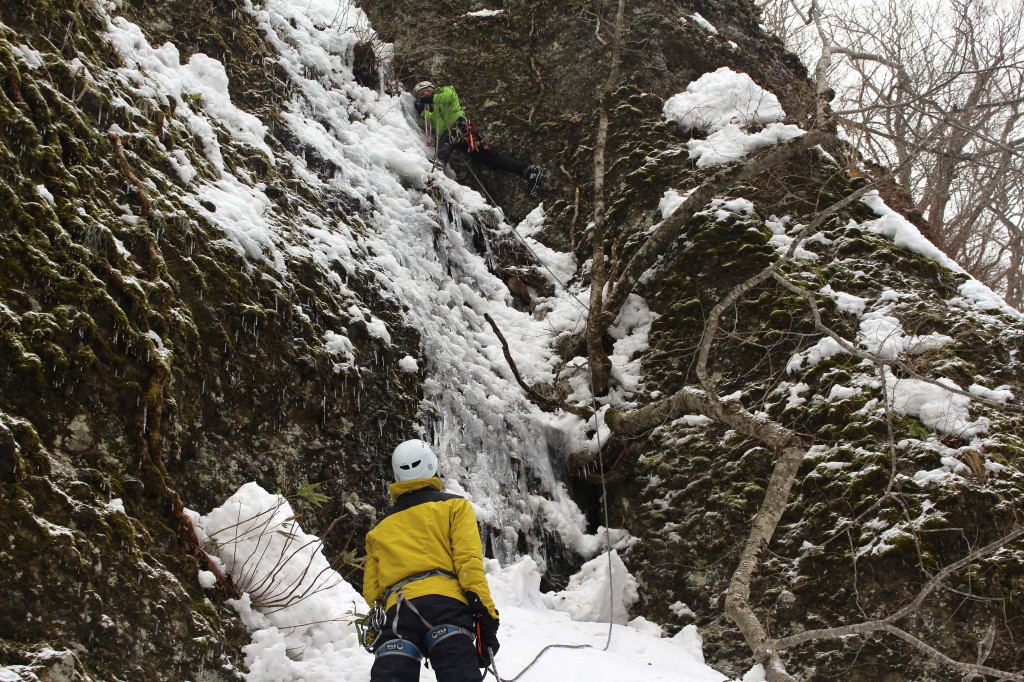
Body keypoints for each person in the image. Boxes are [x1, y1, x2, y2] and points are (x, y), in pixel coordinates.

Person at [362, 439, 500, 682]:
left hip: (398, 613)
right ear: (431, 466)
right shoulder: (454, 506)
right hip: (446, 608)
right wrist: (486, 614)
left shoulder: (379, 529)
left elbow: (372, 591)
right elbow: (467, 562)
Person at [413, 80, 543, 196]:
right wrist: (421, 111)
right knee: (490, 160)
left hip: (460, 129)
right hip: (460, 137)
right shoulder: (436, 110)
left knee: (448, 139)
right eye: (421, 95)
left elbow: (446, 98)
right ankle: (527, 170)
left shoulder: (447, 90)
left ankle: (438, 165)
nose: (424, 95)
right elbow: (432, 118)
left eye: (426, 91)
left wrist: (429, 99)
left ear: (433, 89)